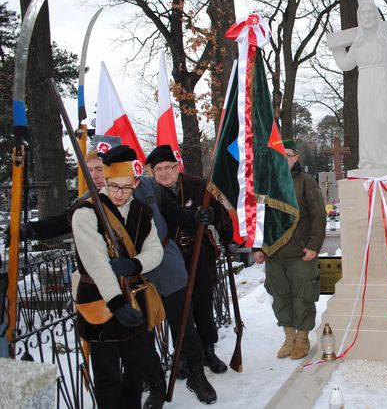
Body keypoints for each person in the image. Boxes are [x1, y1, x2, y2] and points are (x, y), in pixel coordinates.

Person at [25, 143, 218, 406]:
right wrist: (32, 230)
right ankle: (157, 387)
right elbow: (63, 222)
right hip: (125, 282)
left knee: (182, 321)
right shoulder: (88, 203)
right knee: (139, 340)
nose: (118, 190)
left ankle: (196, 375)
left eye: (97, 168)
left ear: (134, 180)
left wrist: (198, 216)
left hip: (161, 262)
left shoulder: (149, 189)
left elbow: (174, 213)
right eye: (92, 170)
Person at [70, 145, 163, 408]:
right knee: (108, 375)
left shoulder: (142, 210)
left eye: (126, 187)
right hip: (101, 302)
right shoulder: (86, 212)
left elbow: (155, 249)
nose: (120, 194)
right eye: (113, 187)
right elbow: (96, 263)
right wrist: (116, 302)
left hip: (134, 297)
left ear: (135, 182)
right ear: (104, 182)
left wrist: (135, 265)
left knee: (135, 370)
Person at [146, 145, 233, 374]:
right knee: (178, 309)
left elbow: (220, 211)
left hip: (198, 254)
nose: (164, 173)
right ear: (153, 173)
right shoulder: (150, 193)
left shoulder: (198, 186)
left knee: (202, 305)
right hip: (168, 259)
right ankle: (184, 355)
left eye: (168, 167)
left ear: (177, 166)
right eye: (158, 169)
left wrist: (222, 227)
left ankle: (208, 351)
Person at [253, 139, 326, 360]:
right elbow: (258, 217)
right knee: (280, 296)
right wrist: (258, 246)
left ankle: (302, 338)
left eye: (289, 154)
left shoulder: (306, 182)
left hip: (301, 254)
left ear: (296, 158)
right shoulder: (267, 184)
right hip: (274, 254)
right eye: (280, 154)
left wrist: (313, 246)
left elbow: (318, 216)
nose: (284, 159)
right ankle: (289, 337)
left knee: (302, 296)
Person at [330, 0, 387, 169]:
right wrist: (336, 47)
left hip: (382, 82)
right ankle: (369, 160)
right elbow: (346, 64)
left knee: (384, 118)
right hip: (364, 84)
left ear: (376, 16)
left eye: (370, 12)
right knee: (367, 123)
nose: (367, 16)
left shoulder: (384, 41)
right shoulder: (358, 43)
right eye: (363, 13)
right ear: (359, 18)